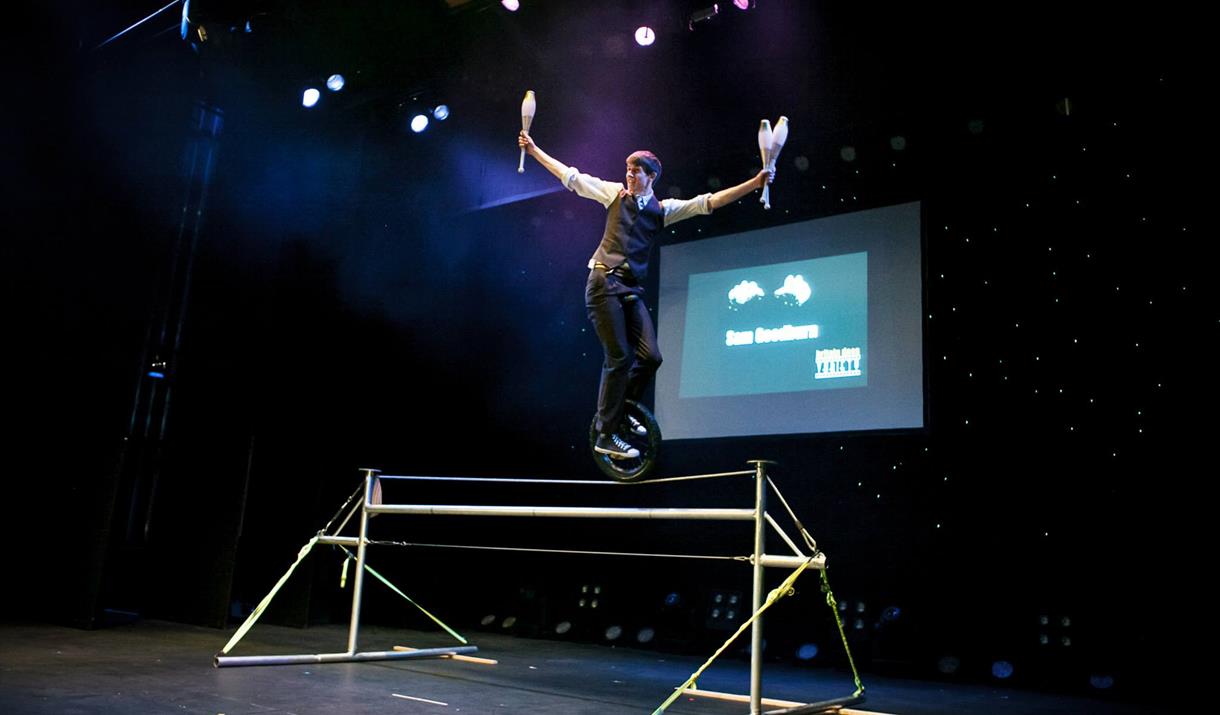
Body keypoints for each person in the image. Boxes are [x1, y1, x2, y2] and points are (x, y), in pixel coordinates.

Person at [518, 129, 773, 459]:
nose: (628, 176)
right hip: (602, 284)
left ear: (651, 177)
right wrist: (536, 150)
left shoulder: (663, 210)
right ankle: (606, 434)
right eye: (627, 170)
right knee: (620, 358)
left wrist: (755, 183)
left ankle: (620, 413)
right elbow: (571, 176)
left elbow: (708, 203)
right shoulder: (613, 195)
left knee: (651, 357)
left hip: (629, 290)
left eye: (635, 172)